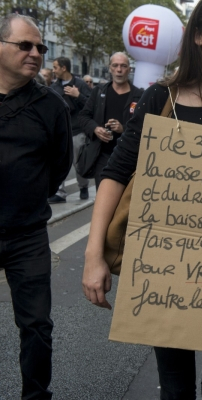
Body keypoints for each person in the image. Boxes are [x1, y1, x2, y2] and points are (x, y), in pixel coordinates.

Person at [81, 0, 202, 398]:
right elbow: (117, 173)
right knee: (175, 389)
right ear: (197, 34)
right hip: (166, 273)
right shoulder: (160, 99)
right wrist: (93, 254)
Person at [0, 14, 72, 399]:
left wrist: (27, 195)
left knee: (36, 326)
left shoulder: (51, 106)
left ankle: (35, 394)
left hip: (27, 234)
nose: (35, 53)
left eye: (40, 48)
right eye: (24, 45)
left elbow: (60, 164)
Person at [79, 52, 143, 189]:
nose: (119, 70)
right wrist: (95, 129)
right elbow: (84, 116)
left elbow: (147, 128)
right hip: (103, 156)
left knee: (123, 205)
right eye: (115, 65)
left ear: (129, 69)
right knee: (104, 201)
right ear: (110, 68)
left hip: (129, 159)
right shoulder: (99, 92)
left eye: (123, 66)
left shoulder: (139, 96)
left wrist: (123, 129)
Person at [48, 56, 92, 203]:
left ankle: (83, 187)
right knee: (58, 162)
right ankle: (59, 193)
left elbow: (91, 105)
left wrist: (78, 95)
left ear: (63, 68)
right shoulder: (54, 87)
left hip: (77, 130)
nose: (53, 71)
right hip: (60, 132)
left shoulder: (80, 84)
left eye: (55, 67)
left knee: (79, 163)